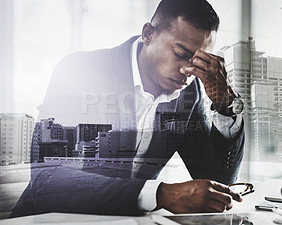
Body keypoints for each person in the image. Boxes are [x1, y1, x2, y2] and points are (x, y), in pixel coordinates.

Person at [11, 0, 245, 217]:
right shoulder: (79, 71)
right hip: (45, 219)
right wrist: (160, 194)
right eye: (180, 54)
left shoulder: (189, 93)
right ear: (148, 34)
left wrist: (226, 106)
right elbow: (47, 179)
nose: (188, 71)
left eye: (197, 61)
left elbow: (218, 181)